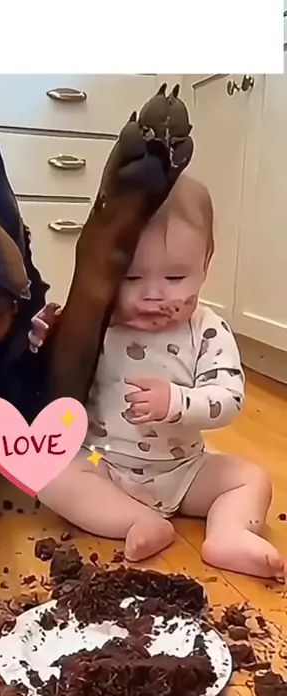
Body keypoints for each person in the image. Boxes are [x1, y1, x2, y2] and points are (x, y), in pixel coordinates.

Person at [29, 175, 286, 581]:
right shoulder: (98, 322)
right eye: (132, 278)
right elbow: (59, 375)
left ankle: (230, 533)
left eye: (175, 278)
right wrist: (46, 339)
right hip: (104, 463)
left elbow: (229, 397)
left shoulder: (207, 330)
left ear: (206, 265)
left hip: (185, 469)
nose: (153, 294)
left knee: (251, 480)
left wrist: (177, 402)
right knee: (48, 471)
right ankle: (136, 520)